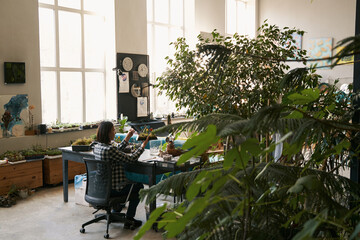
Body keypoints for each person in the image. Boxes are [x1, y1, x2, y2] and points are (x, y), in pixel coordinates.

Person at [93, 121, 150, 229]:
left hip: (100, 188)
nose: (115, 132)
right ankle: (129, 218)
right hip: (113, 189)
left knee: (130, 185)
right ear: (107, 133)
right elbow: (131, 159)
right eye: (113, 130)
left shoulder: (97, 147)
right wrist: (143, 146)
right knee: (139, 187)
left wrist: (128, 137)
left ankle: (115, 212)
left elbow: (116, 150)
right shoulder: (110, 150)